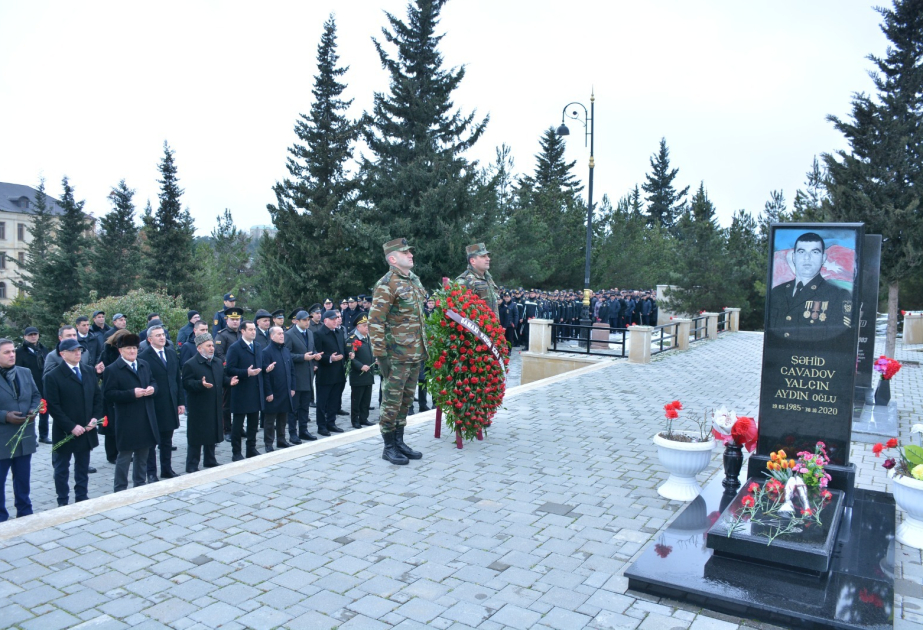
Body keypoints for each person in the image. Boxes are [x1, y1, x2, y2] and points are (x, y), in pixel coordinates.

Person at [369, 237, 426, 465]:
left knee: (406, 400)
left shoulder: (413, 280)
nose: (411, 255)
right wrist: (381, 355)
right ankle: (388, 446)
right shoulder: (387, 284)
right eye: (405, 253)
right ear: (393, 259)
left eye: (411, 252)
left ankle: (400, 440)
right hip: (396, 355)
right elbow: (375, 322)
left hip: (415, 352)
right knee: (392, 401)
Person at [43, 338, 103, 505]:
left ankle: (81, 497)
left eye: (79, 350)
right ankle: (62, 500)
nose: (78, 353)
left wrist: (94, 419)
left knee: (83, 466)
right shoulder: (53, 376)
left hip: (86, 428)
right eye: (73, 351)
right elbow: (53, 407)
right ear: (62, 354)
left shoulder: (88, 371)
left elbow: (98, 398)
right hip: (65, 431)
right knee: (62, 468)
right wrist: (71, 426)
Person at [768, 232, 851, 340]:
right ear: (793, 257)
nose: (807, 257)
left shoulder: (837, 296)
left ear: (823, 258)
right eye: (801, 252)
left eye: (815, 252)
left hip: (814, 357)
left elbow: (837, 339)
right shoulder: (777, 292)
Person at [103, 333, 159, 490]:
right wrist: (131, 393)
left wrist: (152, 389)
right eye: (129, 348)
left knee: (143, 453)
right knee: (125, 455)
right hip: (127, 418)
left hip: (146, 416)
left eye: (135, 348)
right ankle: (120, 487)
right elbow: (108, 394)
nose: (132, 351)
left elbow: (153, 381)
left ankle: (140, 484)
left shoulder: (143, 364)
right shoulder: (112, 369)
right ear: (121, 350)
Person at [0, 338, 41, 521]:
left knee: (23, 478)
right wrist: (4, 416)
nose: (11, 355)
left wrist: (34, 409)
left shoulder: (24, 372)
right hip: (2, 438)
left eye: (13, 351)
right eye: (6, 352)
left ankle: (24, 511)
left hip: (24, 435)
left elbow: (36, 395)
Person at [182, 333, 236, 472]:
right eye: (208, 346)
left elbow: (222, 378)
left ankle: (210, 460)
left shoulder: (217, 362)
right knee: (197, 437)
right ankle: (192, 464)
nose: (212, 348)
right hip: (199, 407)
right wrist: (200, 384)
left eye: (212, 345)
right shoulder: (191, 364)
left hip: (214, 404)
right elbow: (186, 383)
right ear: (200, 348)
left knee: (212, 433)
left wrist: (230, 381)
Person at [140, 324, 184, 479]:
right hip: (154, 403)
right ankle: (151, 473)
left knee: (167, 440)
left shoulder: (171, 353)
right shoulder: (144, 356)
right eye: (158, 335)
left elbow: (177, 380)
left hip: (170, 402)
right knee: (152, 441)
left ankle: (167, 469)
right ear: (150, 339)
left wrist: (180, 401)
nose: (162, 337)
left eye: (163, 334)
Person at [225, 321, 264, 460]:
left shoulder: (258, 346)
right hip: (241, 391)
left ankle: (251, 449)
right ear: (242, 331)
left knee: (253, 423)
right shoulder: (235, 348)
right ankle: (236, 452)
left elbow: (260, 366)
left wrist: (265, 368)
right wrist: (246, 373)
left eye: (254, 329)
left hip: (255, 390)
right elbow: (229, 369)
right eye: (250, 330)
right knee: (238, 424)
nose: (254, 332)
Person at [284, 310, 321, 443]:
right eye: (304, 320)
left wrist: (316, 356)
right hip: (296, 376)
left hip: (308, 375)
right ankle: (293, 433)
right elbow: (286, 355)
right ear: (297, 321)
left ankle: (303, 430)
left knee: (305, 406)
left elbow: (312, 348)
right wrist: (302, 357)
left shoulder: (310, 333)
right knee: (294, 408)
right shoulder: (289, 334)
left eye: (308, 320)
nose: (307, 322)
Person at [261, 326, 295, 451]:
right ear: (271, 336)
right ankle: (268, 444)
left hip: (285, 390)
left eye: (283, 333)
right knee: (270, 420)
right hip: (273, 392)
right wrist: (268, 392)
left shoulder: (285, 350)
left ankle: (281, 440)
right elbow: (265, 375)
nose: (282, 335)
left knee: (283, 418)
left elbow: (291, 370)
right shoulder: (266, 352)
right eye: (279, 333)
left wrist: (292, 387)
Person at [314, 310, 347, 436]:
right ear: (325, 320)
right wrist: (329, 358)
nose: (336, 321)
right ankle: (321, 426)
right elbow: (317, 354)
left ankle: (331, 423)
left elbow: (343, 348)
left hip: (339, 372)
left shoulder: (339, 332)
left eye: (337, 318)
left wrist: (348, 353)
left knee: (334, 400)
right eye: (333, 319)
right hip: (325, 374)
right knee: (322, 402)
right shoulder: (318, 334)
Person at [16, 326, 50, 443]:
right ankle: (31, 437)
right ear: (25, 337)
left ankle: (43, 435)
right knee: (31, 412)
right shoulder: (19, 352)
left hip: (43, 384)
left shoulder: (43, 349)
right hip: (28, 386)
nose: (33, 336)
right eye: (30, 335)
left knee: (44, 410)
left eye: (35, 334)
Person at [214, 307, 243, 441]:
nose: (236, 322)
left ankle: (239, 426)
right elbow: (219, 354)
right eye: (233, 320)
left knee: (241, 400)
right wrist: (231, 364)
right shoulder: (222, 335)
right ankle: (227, 429)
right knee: (227, 403)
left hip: (242, 372)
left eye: (237, 320)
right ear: (227, 320)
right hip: (228, 374)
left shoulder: (242, 334)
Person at [457, 243, 500, 317]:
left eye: (488, 256)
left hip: (492, 326)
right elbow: (461, 312)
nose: (488, 259)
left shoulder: (488, 278)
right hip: (477, 327)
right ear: (473, 261)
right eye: (483, 256)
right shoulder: (464, 281)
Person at [347, 315, 375, 429]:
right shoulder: (352, 339)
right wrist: (360, 366)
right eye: (364, 325)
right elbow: (351, 358)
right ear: (358, 327)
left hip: (369, 374)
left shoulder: (368, 337)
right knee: (356, 399)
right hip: (358, 375)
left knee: (366, 399)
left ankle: (364, 418)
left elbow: (370, 353)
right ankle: (355, 420)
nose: (367, 327)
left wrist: (375, 360)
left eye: (367, 325)